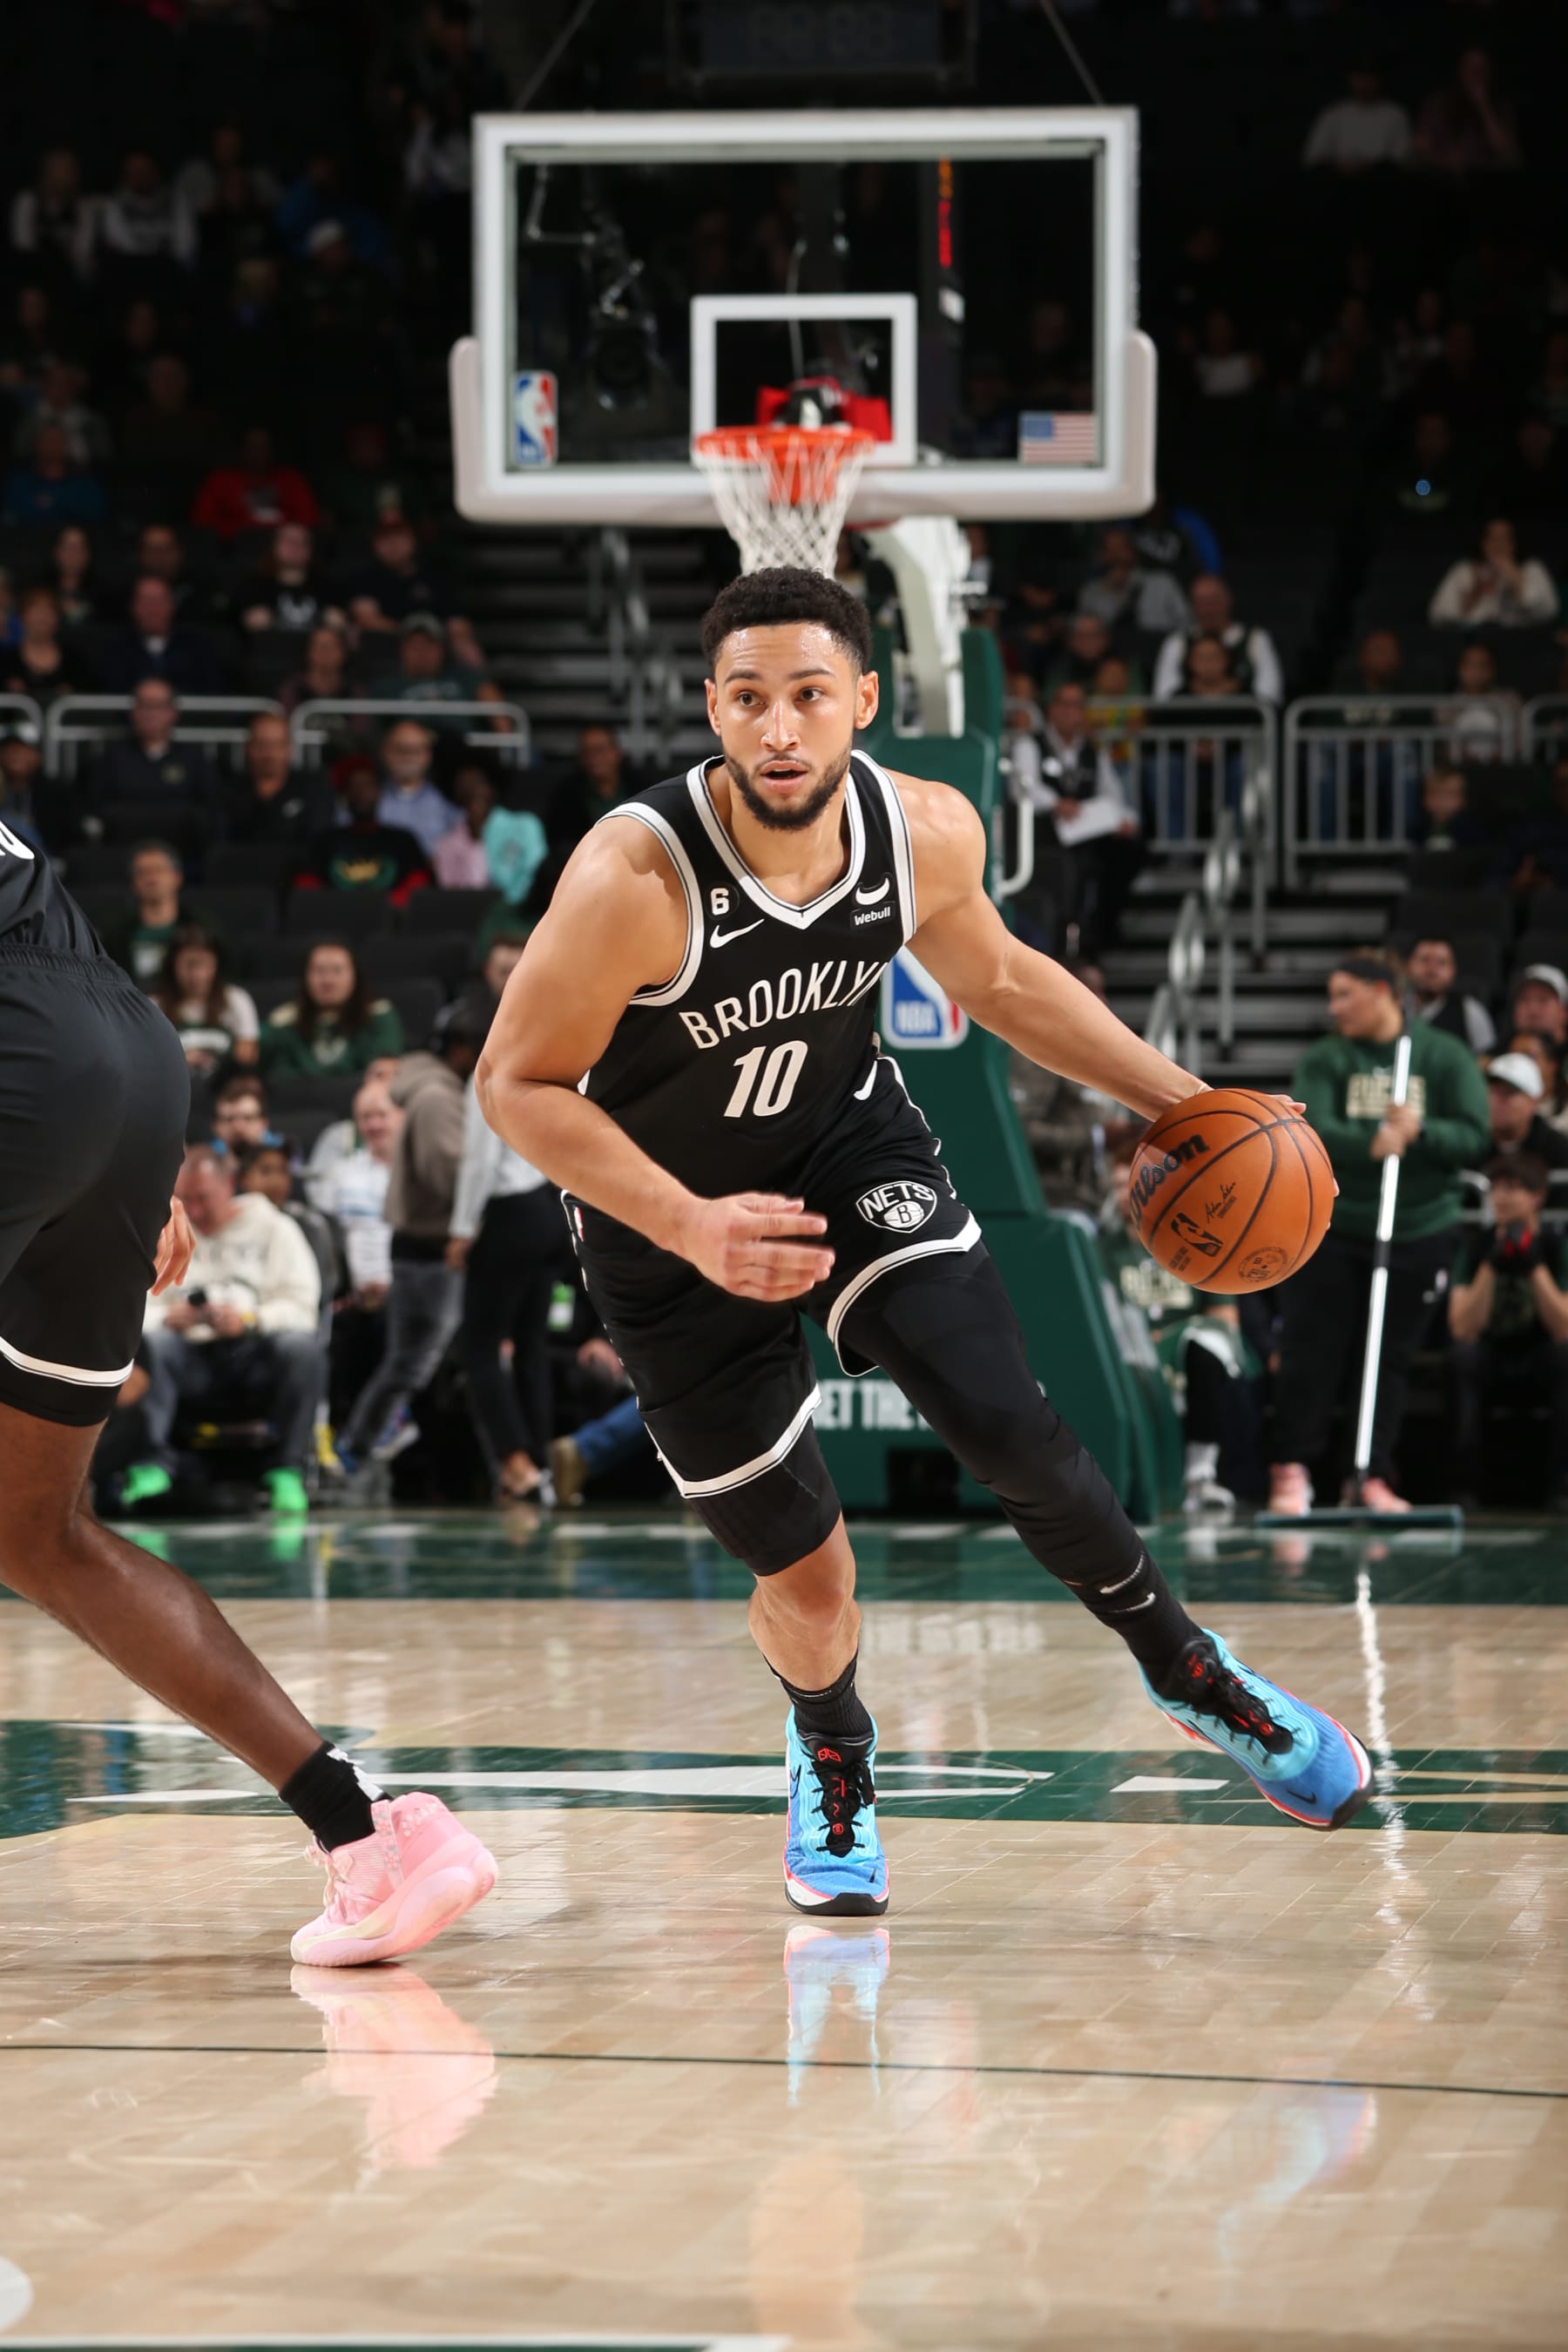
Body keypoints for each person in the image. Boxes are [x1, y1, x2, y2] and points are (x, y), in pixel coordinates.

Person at [476, 563, 1375, 1923]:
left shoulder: (925, 831)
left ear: (864, 701)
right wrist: (689, 1223)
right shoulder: (634, 878)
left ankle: (1190, 1670)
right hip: (667, 1222)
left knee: (1005, 1418)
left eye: (809, 694)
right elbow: (514, 1084)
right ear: (712, 709)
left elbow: (1001, 980)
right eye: (750, 699)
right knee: (809, 1580)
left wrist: (1188, 1106)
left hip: (844, 1149)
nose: (780, 727)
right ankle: (833, 1744)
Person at [0, 788, 491, 1966]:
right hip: (121, 1060)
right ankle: (365, 1831)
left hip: (29, 1052)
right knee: (34, 1532)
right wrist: (126, 1168)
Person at [1268, 951, 1490, 1517]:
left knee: (1388, 1357)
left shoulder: (1444, 1056)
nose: (1334, 1007)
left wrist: (1422, 1131)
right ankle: (1293, 1467)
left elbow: (1474, 1136)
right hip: (1334, 1227)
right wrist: (1369, 1144)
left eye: (1345, 994)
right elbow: (1309, 1126)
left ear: (1383, 992)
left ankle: (1369, 1472)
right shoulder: (1327, 1057)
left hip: (1418, 1226)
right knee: (1313, 1352)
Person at [336, 1018, 487, 1477]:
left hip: (418, 1250)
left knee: (414, 1364)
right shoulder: (437, 1095)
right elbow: (446, 1172)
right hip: (432, 1251)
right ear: (462, 1050)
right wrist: (483, 1201)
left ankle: (357, 1450)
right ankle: (354, 1450)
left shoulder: (424, 1087)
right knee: (413, 1365)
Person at [1102, 1142, 1260, 1516]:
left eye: (1132, 1183)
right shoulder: (1102, 1248)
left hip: (1185, 1345)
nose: (1125, 1194)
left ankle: (1201, 1474)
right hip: (1131, 1349)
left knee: (1208, 1348)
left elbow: (1225, 1319)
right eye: (1117, 1186)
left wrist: (1174, 1337)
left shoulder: (1196, 1237)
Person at [449, 1069, 563, 1503]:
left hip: (509, 1213)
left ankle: (517, 1465)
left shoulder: (490, 1065)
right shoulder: (543, 1060)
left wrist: (462, 1229)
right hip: (548, 1207)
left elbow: (480, 1159)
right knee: (532, 1347)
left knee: (478, 1348)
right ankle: (543, 1466)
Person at [1447, 1153, 1568, 1511]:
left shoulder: (1557, 1244)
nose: (1501, 1197)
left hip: (1541, 1351)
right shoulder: (1476, 1246)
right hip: (1491, 1352)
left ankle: (1561, 1486)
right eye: (1496, 1188)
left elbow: (1563, 1327)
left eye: (1513, 1188)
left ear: (1537, 1196)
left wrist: (1534, 1266)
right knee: (1461, 1357)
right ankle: (1464, 1487)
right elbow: (1462, 1327)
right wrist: (1491, 1264)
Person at [1011, 680, 1142, 956]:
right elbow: (1021, 787)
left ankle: (1102, 932)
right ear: (1052, 709)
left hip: (1085, 834)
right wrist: (1055, 803)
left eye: (1077, 706)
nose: (1071, 712)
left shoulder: (1093, 752)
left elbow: (1112, 794)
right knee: (1068, 868)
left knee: (1129, 852)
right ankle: (1063, 944)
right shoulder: (1031, 744)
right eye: (1065, 704)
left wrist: (1121, 819)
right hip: (1042, 836)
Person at [260, 939, 404, 1080]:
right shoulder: (283, 1021)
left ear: (355, 975)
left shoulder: (378, 1014)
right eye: (319, 971)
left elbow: (385, 1066)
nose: (328, 980)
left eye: (337, 970)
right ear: (305, 977)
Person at [294, 760, 433, 905]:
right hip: (338, 916)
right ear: (344, 794)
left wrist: (383, 906)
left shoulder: (402, 840)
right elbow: (307, 886)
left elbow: (419, 884)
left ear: (379, 792)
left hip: (390, 917)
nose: (362, 793)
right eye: (354, 787)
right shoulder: (325, 841)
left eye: (368, 786)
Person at [1152, 573, 1283, 705]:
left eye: (1213, 601)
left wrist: (1232, 692)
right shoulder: (1177, 641)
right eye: (1200, 602)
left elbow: (1269, 699)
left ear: (1228, 600)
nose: (1207, 608)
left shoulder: (1256, 638)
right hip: (1189, 717)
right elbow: (1164, 700)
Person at [150, 923, 260, 1076]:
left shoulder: (237, 999)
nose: (198, 975)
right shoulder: (153, 1007)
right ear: (172, 965)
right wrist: (181, 1062)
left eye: (205, 965)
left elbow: (246, 1058)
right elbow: (148, 1063)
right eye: (190, 965)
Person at [99, 839, 204, 985]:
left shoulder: (201, 928)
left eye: (159, 870)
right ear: (133, 882)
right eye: (143, 872)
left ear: (177, 877)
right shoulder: (115, 935)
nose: (151, 878)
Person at [98, 577, 224, 697]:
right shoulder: (116, 649)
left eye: (159, 601)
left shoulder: (198, 648)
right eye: (146, 602)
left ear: (172, 605)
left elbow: (212, 692)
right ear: (133, 607)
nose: (152, 609)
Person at [226, 711, 335, 848]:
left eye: (277, 745)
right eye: (262, 745)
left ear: (289, 748)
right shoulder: (230, 791)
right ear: (248, 748)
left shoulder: (312, 790)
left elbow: (319, 841)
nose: (269, 754)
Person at [192, 427, 320, 543]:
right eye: (253, 446)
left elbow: (309, 519)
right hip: (231, 548)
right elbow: (203, 523)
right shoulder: (221, 480)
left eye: (263, 446)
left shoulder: (290, 480)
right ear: (242, 449)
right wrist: (240, 527)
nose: (258, 452)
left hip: (283, 547)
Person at [368, 611, 500, 720]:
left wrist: (504, 738)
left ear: (441, 650)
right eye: (414, 646)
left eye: (429, 645)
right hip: (412, 742)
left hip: (459, 742)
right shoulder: (387, 686)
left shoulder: (461, 676)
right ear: (402, 650)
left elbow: (488, 693)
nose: (422, 653)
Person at [1429, 519, 1557, 630]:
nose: (1498, 544)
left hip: (1520, 638)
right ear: (1482, 543)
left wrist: (1513, 575)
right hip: (1473, 637)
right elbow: (1439, 616)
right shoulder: (1465, 569)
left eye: (1504, 538)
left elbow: (1546, 612)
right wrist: (1476, 590)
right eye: (1491, 538)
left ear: (1514, 543)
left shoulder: (1531, 568)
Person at [1413, 46, 1521, 175]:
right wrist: (1443, 162)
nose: (1475, 73)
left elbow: (1509, 155)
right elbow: (1420, 147)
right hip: (1441, 176)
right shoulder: (1437, 103)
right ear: (1460, 70)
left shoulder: (1501, 107)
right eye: (1470, 67)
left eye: (1481, 68)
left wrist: (1484, 107)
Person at [1076, 527, 1190, 638]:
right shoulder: (1091, 592)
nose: (1117, 555)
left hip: (1160, 644)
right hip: (1116, 648)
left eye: (1121, 547)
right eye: (1111, 549)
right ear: (1102, 555)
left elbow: (1186, 621)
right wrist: (1112, 590)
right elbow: (1087, 633)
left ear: (1132, 551)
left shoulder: (1162, 582)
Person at [1301, 62, 1411, 172]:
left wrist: (1368, 166)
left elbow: (1401, 158)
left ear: (1379, 80)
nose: (1364, 83)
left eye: (1369, 78)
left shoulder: (1395, 115)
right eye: (1359, 77)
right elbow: (1313, 156)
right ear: (1350, 79)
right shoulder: (1333, 114)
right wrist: (1341, 165)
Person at [237, 523, 342, 635]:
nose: (295, 547)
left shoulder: (327, 587)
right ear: (274, 546)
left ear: (311, 550)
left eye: (303, 542)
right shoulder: (253, 586)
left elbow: (340, 623)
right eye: (289, 541)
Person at [376, 719, 459, 859]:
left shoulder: (446, 804)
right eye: (400, 749)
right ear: (385, 752)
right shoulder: (366, 800)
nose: (408, 756)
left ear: (428, 755)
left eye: (415, 750)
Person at [2, 421, 105, 527]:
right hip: (27, 536)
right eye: (48, 440)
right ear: (36, 443)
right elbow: (9, 517)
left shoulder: (84, 483)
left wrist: (54, 503)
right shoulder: (19, 482)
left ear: (67, 445)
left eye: (58, 441)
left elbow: (96, 515)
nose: (53, 446)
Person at [1405, 936, 1496, 1056]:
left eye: (1442, 962)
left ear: (1454, 970)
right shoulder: (1393, 1004)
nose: (1432, 969)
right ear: (1407, 965)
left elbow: (1485, 1058)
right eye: (1424, 960)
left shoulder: (1468, 1010)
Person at [2, 585, 84, 710]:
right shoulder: (6, 661)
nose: (42, 617)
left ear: (58, 618)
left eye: (48, 610)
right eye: (35, 610)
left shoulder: (74, 661)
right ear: (22, 616)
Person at [1484, 1051, 1568, 1173]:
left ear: (1533, 1102)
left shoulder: (1557, 1150)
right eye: (1493, 1091)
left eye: (1509, 1093)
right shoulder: (1473, 1143)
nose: (1497, 1101)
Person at [1491, 765, 1568, 896]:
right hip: (1539, 903)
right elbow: (1494, 882)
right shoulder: (1529, 832)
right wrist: (1517, 884)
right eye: (1563, 785)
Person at [211, 1072, 275, 1154]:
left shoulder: (285, 1154)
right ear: (215, 1126)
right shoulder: (204, 1156)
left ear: (264, 1123)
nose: (238, 1128)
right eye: (229, 1119)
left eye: (248, 1118)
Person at [1509, 965, 1568, 1048]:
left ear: (1564, 1010)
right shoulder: (1495, 1055)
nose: (1533, 1011)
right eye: (1524, 999)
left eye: (1543, 1000)